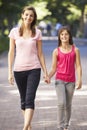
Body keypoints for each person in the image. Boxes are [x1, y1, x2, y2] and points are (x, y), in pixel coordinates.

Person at [8, 6, 49, 130]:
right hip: (18, 70)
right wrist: (10, 72)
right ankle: (29, 126)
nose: (28, 17)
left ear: (34, 18)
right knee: (23, 101)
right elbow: (11, 52)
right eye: (26, 14)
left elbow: (40, 54)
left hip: (34, 69)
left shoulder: (37, 33)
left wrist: (46, 73)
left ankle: (25, 127)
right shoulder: (14, 32)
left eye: (31, 15)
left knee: (30, 98)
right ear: (22, 15)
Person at [48, 26, 82, 130]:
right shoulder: (56, 51)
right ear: (59, 36)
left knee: (68, 104)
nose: (64, 36)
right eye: (62, 34)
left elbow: (78, 66)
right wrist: (48, 77)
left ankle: (66, 126)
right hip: (60, 80)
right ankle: (60, 126)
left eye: (66, 34)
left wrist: (80, 80)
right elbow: (54, 68)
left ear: (69, 36)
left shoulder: (75, 50)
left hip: (71, 81)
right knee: (61, 103)